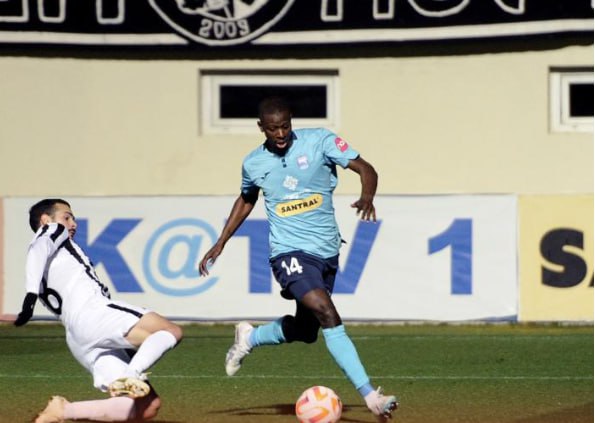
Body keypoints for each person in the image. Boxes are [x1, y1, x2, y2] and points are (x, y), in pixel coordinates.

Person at [199, 96, 398, 421]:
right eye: (273, 129)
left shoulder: (320, 141)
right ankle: (371, 396)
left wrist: (367, 196)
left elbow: (366, 168)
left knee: (306, 331)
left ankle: (251, 337)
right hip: (288, 252)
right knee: (326, 311)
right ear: (261, 128)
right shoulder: (254, 163)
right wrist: (221, 242)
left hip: (326, 250)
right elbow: (247, 199)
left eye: (285, 126)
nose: (280, 134)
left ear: (292, 120)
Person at [13, 199, 183, 423]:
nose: (73, 223)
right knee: (169, 331)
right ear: (46, 220)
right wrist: (30, 297)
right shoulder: (52, 231)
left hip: (78, 337)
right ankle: (131, 375)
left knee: (146, 407)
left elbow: (38, 251)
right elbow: (39, 247)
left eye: (73, 218)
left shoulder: (52, 258)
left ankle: (62, 411)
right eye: (66, 217)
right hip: (93, 315)